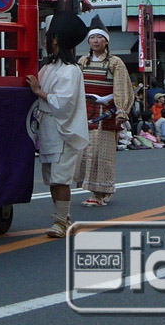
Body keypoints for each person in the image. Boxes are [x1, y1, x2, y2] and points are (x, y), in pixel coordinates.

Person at [26, 12, 89, 238]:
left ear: (56, 40)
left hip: (63, 128)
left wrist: (38, 91)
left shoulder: (71, 70)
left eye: (49, 36)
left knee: (61, 178)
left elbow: (63, 103)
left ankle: (62, 222)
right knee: (53, 178)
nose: (45, 40)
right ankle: (63, 218)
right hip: (49, 127)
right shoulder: (50, 67)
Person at [74, 16, 133, 208]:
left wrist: (119, 108)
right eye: (92, 38)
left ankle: (99, 193)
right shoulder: (83, 61)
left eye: (100, 37)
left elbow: (122, 87)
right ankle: (98, 190)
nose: (96, 41)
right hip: (86, 111)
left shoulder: (115, 63)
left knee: (102, 154)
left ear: (106, 40)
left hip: (106, 112)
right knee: (86, 152)